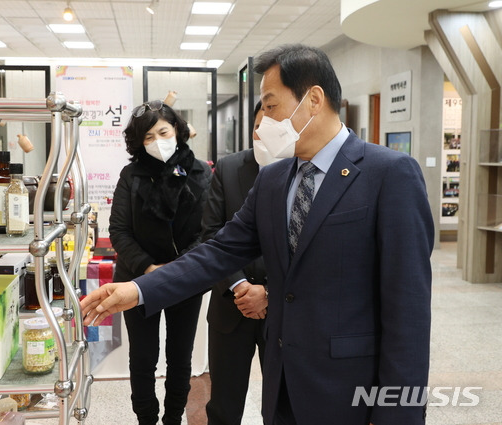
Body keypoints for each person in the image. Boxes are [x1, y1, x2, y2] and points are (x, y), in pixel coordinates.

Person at [82, 44, 434, 425]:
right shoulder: (273, 179)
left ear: (313, 99)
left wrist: (399, 414)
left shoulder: (389, 174)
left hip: (349, 391)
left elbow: (408, 314)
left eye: (270, 106)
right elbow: (218, 251)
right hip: (283, 386)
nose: (264, 122)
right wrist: (138, 290)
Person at [108, 99, 212, 425]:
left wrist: (179, 271)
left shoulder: (199, 172)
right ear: (139, 142)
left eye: (163, 132)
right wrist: (150, 270)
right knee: (142, 358)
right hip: (138, 279)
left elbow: (207, 230)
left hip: (186, 278)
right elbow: (119, 232)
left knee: (180, 358)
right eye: (148, 137)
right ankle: (147, 421)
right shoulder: (132, 175)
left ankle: (172, 420)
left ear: (177, 131)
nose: (157, 141)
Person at [202, 101, 270, 425]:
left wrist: (267, 292)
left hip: (284, 311)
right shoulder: (228, 169)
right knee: (223, 408)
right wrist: (241, 285)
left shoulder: (306, 171)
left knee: (285, 406)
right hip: (230, 307)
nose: (262, 133)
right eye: (258, 125)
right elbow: (212, 236)